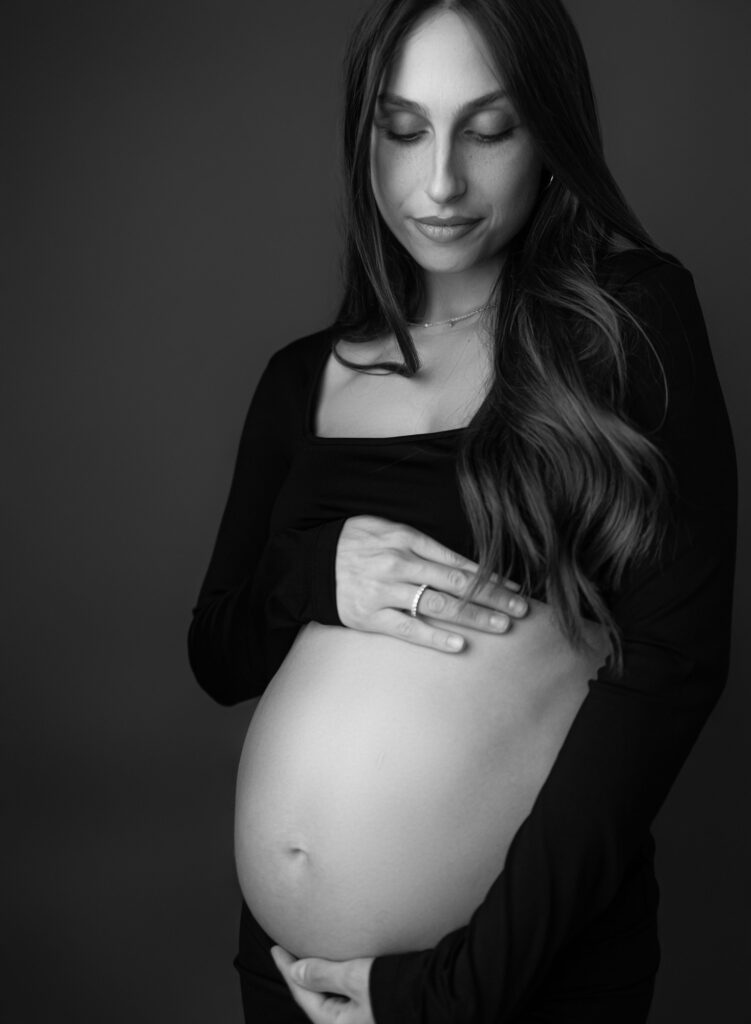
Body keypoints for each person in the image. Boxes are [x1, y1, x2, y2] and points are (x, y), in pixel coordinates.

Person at [187, 1, 737, 1021]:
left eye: (488, 130)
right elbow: (219, 653)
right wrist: (320, 573)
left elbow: (670, 670)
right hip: (289, 979)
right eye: (402, 130)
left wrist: (454, 990)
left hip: (509, 978)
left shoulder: (629, 323)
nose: (439, 181)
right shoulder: (298, 380)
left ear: (551, 135)